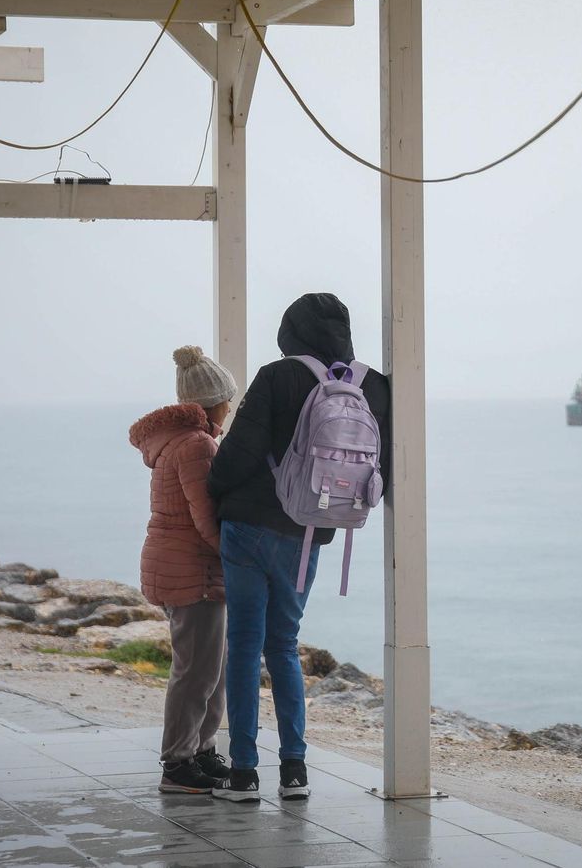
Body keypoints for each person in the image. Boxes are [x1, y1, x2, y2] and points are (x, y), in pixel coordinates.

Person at [206, 293, 390, 801]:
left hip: (247, 529)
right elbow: (384, 474)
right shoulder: (371, 385)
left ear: (291, 330)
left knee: (243, 646)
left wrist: (217, 493)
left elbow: (236, 457)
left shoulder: (276, 375)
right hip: (310, 533)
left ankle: (243, 771)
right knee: (284, 646)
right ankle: (294, 771)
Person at [129, 345, 238, 796]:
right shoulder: (198, 444)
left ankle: (200, 750)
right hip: (191, 570)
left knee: (210, 667)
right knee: (196, 671)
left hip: (180, 564)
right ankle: (177, 763)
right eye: (228, 398)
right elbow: (204, 516)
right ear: (214, 401)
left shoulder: (180, 441)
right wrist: (237, 556)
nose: (231, 407)